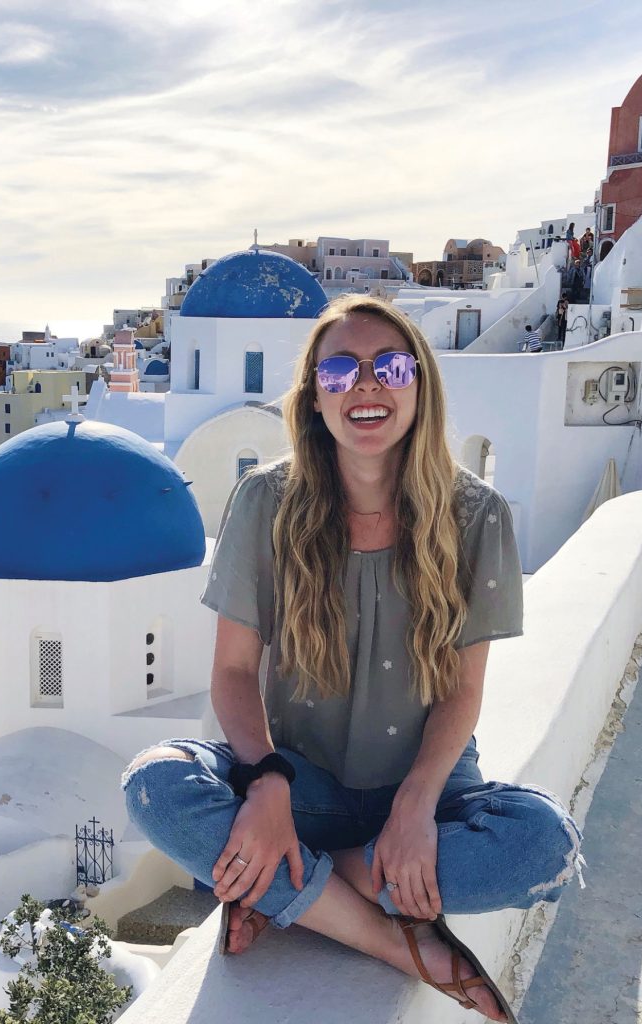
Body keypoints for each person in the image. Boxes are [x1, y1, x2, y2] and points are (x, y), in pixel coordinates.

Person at [122, 295, 583, 1023]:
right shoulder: (265, 500)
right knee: (153, 784)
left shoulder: (476, 515)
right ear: (314, 399)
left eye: (389, 366)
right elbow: (235, 672)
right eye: (339, 371)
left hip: (430, 793)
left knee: (545, 847)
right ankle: (390, 939)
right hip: (301, 788)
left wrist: (414, 807)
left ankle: (301, 891)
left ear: (419, 386)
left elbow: (464, 691)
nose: (365, 385)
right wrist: (268, 785)